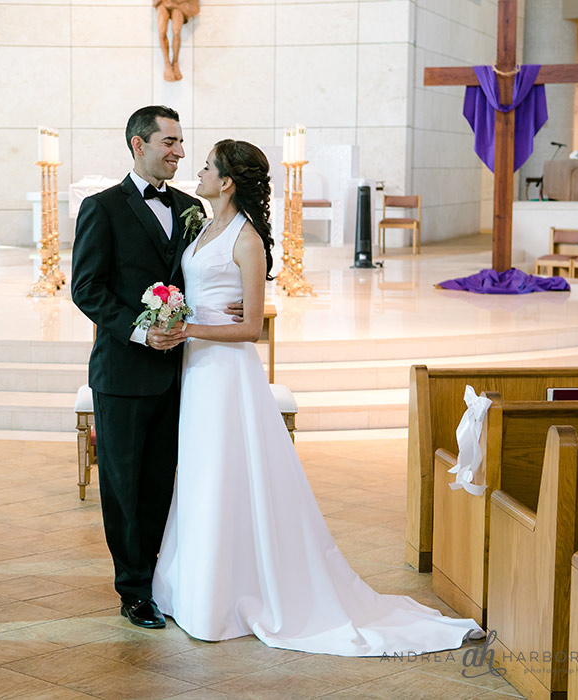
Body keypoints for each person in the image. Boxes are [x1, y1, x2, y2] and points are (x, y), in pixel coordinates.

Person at [151, 139, 484, 654]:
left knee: (223, 472)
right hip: (198, 369)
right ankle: (194, 587)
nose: (197, 171)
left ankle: (226, 595)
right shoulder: (202, 225)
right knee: (199, 474)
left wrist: (188, 326)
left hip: (226, 374)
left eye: (207, 167)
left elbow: (251, 331)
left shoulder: (246, 240)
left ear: (228, 181)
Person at [70, 106, 205, 629]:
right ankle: (133, 591)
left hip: (181, 373)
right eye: (168, 142)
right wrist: (140, 329)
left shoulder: (193, 208)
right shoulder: (101, 208)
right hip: (123, 373)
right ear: (137, 145)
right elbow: (87, 288)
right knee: (124, 488)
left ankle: (162, 579)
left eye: (180, 142)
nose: (179, 152)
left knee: (161, 485)